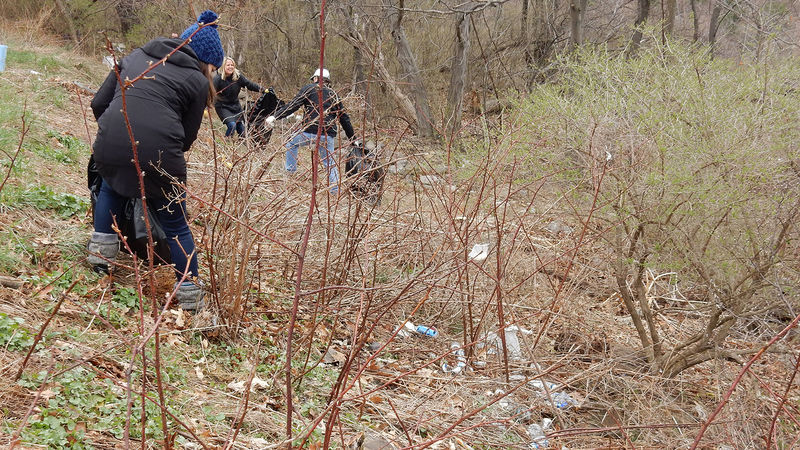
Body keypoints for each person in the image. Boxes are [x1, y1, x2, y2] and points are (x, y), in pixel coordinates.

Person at [86, 10, 224, 312]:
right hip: (159, 156)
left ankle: (100, 262)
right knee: (175, 223)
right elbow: (186, 140)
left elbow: (99, 102)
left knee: (111, 186)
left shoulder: (136, 57)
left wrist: (115, 135)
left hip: (109, 141)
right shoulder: (196, 81)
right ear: (206, 61)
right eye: (213, 67)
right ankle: (190, 298)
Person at [266, 68, 357, 194]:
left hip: (309, 132)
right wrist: (353, 139)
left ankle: (290, 173)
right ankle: (335, 190)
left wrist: (275, 116)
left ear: (315, 79)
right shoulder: (334, 94)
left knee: (291, 143)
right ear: (328, 81)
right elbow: (344, 119)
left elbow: (293, 105)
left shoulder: (309, 89)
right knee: (330, 163)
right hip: (327, 134)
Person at [213, 57, 263, 137]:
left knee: (242, 131)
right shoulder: (218, 79)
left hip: (235, 106)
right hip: (222, 107)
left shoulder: (238, 77)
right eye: (228, 65)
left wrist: (263, 90)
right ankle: (227, 142)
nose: (230, 67)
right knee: (232, 125)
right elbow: (210, 93)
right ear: (223, 67)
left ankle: (240, 147)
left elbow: (249, 84)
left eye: (232, 65)